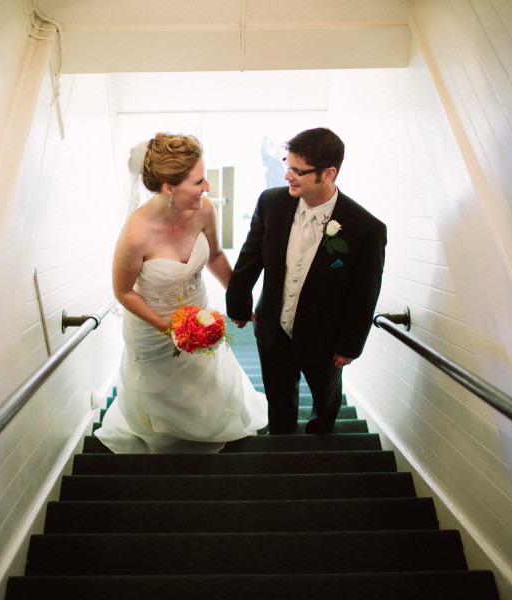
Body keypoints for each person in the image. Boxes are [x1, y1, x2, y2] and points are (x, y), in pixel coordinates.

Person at [95, 133, 268, 453]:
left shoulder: (203, 211)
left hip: (198, 309)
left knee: (204, 378)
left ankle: (209, 426)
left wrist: (240, 298)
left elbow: (215, 255)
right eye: (198, 181)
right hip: (153, 324)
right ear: (168, 187)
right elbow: (122, 291)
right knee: (163, 390)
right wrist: (168, 328)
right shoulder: (135, 234)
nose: (207, 188)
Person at [226, 127, 386, 434]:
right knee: (278, 399)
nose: (287, 176)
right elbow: (249, 258)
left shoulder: (366, 229)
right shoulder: (271, 203)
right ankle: (282, 440)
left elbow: (363, 294)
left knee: (325, 399)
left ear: (328, 174)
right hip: (273, 327)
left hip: (325, 339)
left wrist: (350, 345)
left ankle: (320, 434)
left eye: (298, 171)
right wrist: (237, 303)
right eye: (288, 165)